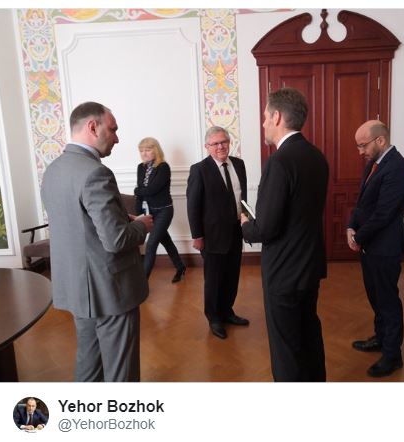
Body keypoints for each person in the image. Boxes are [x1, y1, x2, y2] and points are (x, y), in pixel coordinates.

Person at [41, 101, 153, 382]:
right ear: (93, 127)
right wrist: (141, 225)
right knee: (121, 373)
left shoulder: (53, 170)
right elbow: (116, 240)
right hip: (110, 290)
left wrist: (121, 218)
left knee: (89, 366)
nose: (117, 138)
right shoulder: (96, 172)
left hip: (77, 288)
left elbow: (79, 225)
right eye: (113, 129)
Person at [241, 88, 329, 381]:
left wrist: (245, 224)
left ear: (277, 117)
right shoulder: (317, 157)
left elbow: (266, 228)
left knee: (286, 348)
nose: (263, 123)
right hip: (309, 265)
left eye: (265, 117)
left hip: (284, 271)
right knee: (309, 335)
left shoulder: (279, 162)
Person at [347, 119, 404, 377]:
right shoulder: (374, 164)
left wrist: (359, 238)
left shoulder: (398, 168)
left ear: (381, 140)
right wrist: (351, 226)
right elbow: (363, 203)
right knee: (376, 297)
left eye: (363, 145)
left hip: (385, 248)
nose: (360, 151)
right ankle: (381, 338)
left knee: (388, 301)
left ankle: (392, 355)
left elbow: (384, 213)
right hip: (370, 247)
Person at [186, 126, 249, 339]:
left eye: (224, 142)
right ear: (207, 146)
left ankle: (227, 311)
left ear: (229, 143)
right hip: (212, 236)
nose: (221, 146)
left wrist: (247, 222)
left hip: (236, 231)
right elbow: (193, 206)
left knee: (232, 276)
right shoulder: (199, 170)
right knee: (214, 279)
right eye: (215, 143)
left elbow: (242, 198)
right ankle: (214, 317)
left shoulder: (239, 164)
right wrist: (197, 236)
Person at [134, 137, 186, 283]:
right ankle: (180, 267)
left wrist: (138, 190)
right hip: (149, 212)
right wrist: (138, 214)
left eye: (147, 150)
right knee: (166, 241)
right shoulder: (140, 167)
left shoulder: (163, 167)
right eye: (141, 150)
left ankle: (142, 284)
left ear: (155, 150)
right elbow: (141, 193)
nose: (144, 153)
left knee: (151, 244)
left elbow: (152, 190)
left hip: (164, 211)